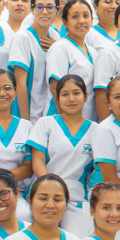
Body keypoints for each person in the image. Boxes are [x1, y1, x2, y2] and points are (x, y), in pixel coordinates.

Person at [25, 75, 98, 229]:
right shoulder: (46, 123)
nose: (71, 99)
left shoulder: (96, 130)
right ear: (57, 99)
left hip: (76, 196)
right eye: (65, 94)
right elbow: (37, 161)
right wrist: (50, 186)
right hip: (44, 189)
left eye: (76, 93)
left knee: (76, 238)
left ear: (86, 96)